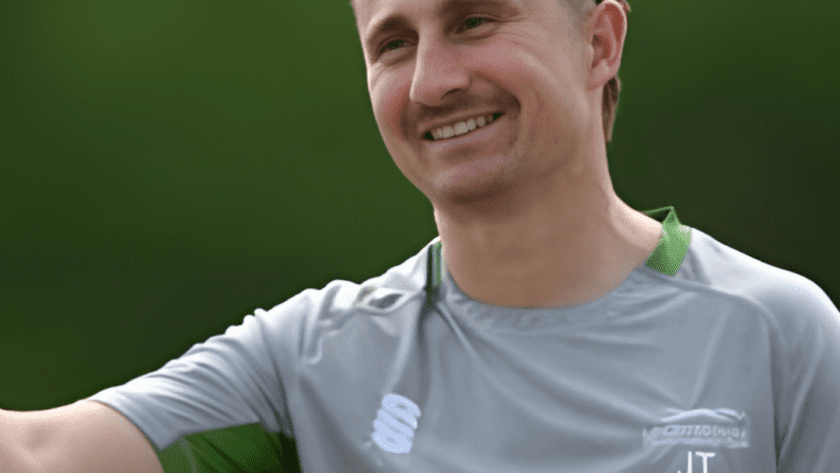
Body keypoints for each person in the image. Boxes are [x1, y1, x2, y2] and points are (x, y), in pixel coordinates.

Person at [2, 0, 838, 471]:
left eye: (474, 21)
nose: (432, 82)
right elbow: (37, 455)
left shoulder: (781, 334)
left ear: (600, 42)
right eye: (394, 44)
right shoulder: (312, 359)